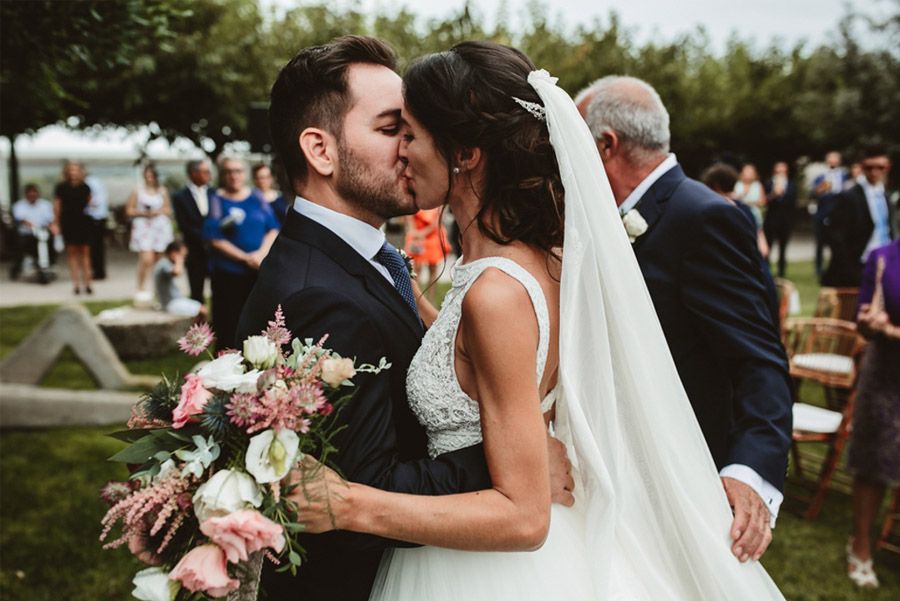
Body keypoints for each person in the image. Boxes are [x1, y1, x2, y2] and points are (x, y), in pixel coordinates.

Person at [289, 41, 785, 601]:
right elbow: (468, 359)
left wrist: (348, 504)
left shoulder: (496, 291)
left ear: (466, 152)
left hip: (489, 572)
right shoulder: (534, 261)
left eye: (410, 133)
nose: (401, 152)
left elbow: (524, 518)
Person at [577, 75, 792, 558]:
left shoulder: (703, 217)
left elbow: (759, 357)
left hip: (683, 460)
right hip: (620, 457)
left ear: (606, 144)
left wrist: (748, 472)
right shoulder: (607, 217)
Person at [846, 239, 900, 589]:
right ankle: (861, 544)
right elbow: (861, 320)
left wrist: (891, 330)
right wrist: (868, 322)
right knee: (872, 461)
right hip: (884, 373)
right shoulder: (883, 257)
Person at [204, 156, 279, 351]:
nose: (233, 175)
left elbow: (272, 228)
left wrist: (261, 253)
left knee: (260, 321)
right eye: (228, 171)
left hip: (257, 272)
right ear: (222, 175)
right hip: (228, 274)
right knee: (229, 323)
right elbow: (214, 238)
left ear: (244, 174)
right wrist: (244, 257)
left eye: (237, 171)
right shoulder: (217, 200)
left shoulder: (257, 197)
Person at [701, 163, 779, 326]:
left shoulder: (720, 209)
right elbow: (763, 248)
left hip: (743, 280)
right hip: (761, 274)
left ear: (714, 186)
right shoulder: (746, 209)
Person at [821, 146, 894, 288]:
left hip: (886, 265)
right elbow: (835, 236)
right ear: (862, 167)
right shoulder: (848, 197)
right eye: (869, 167)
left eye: (880, 167)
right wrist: (850, 268)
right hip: (859, 266)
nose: (874, 171)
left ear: (887, 167)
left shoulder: (886, 196)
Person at [126, 164, 174, 302]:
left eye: (151, 175)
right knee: (146, 259)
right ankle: (140, 288)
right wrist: (143, 213)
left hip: (159, 228)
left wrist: (157, 212)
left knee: (158, 261)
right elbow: (129, 210)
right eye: (147, 175)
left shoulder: (162, 191)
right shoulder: (138, 191)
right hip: (144, 227)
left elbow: (168, 209)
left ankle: (158, 289)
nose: (149, 178)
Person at [171, 159, 212, 303]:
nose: (209, 175)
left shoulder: (215, 193)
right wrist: (206, 238)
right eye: (205, 171)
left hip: (217, 252)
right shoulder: (180, 197)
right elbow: (184, 225)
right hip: (195, 250)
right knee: (196, 291)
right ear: (193, 173)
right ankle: (200, 324)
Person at [53, 160, 93, 295]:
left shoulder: (85, 187)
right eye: (71, 170)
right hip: (68, 222)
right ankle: (76, 284)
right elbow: (58, 206)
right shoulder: (61, 187)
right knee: (72, 253)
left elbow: (89, 203)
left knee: (85, 253)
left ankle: (88, 283)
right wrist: (56, 223)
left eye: (76, 170)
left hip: (83, 221)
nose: (74, 172)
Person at [811, 151, 851, 279]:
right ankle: (818, 269)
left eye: (835, 159)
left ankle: (837, 268)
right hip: (822, 214)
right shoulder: (820, 178)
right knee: (820, 244)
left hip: (840, 215)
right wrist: (819, 190)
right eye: (830, 159)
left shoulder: (845, 177)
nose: (833, 162)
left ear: (839, 161)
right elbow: (812, 195)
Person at [10, 183, 56, 282]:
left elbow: (50, 220)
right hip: (27, 234)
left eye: (34, 193)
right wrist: (31, 226)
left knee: (51, 243)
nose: (32, 196)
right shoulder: (19, 206)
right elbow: (21, 219)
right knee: (20, 246)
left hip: (42, 233)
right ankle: (17, 267)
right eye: (30, 194)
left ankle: (49, 264)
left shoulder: (45, 205)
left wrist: (52, 227)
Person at [404, 208, 451, 303]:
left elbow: (438, 219)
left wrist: (423, 233)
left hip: (433, 235)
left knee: (433, 267)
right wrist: (414, 230)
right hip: (417, 233)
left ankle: (430, 300)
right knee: (416, 268)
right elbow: (409, 216)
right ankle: (417, 299)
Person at [153, 241, 207, 318]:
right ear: (173, 253)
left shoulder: (165, 263)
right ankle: (198, 330)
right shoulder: (163, 264)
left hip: (175, 300)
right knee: (203, 310)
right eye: (182, 256)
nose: (184, 259)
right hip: (171, 303)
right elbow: (177, 272)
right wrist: (179, 260)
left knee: (201, 308)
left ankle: (196, 329)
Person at [763, 161, 797, 278]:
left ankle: (781, 272)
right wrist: (774, 194)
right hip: (771, 219)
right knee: (768, 245)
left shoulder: (791, 184)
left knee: (783, 247)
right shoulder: (768, 183)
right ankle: (766, 270)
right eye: (778, 169)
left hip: (785, 219)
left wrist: (783, 194)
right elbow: (764, 200)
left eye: (783, 169)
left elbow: (793, 201)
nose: (781, 172)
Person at [85, 170, 109, 280]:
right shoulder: (98, 182)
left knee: (93, 247)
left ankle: (96, 270)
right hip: (101, 217)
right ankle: (100, 271)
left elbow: (93, 202)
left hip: (94, 217)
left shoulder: (88, 183)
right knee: (99, 246)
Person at [734, 162, 767, 228]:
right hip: (739, 212)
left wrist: (751, 203)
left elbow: (763, 202)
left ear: (754, 174)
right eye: (746, 171)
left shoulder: (758, 185)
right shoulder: (737, 184)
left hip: (754, 213)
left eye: (751, 172)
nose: (748, 173)